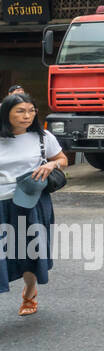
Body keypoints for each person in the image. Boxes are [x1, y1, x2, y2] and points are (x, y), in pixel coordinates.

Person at [0, 91, 68, 316]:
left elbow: (62, 159)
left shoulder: (42, 137)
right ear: (6, 113)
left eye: (31, 111)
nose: (27, 116)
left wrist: (51, 166)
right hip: (1, 202)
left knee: (31, 251)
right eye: (20, 111)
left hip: (30, 202)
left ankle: (30, 289)